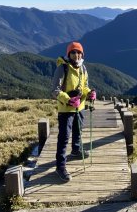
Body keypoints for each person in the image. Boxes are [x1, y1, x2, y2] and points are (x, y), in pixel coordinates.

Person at [51, 41, 96, 182]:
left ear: (82, 54)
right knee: (64, 137)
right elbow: (54, 91)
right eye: (73, 52)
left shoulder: (83, 68)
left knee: (78, 130)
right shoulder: (62, 68)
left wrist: (90, 93)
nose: (76, 55)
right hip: (66, 109)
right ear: (68, 54)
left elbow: (85, 87)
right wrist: (69, 100)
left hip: (80, 107)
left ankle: (76, 150)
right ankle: (60, 166)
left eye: (78, 52)